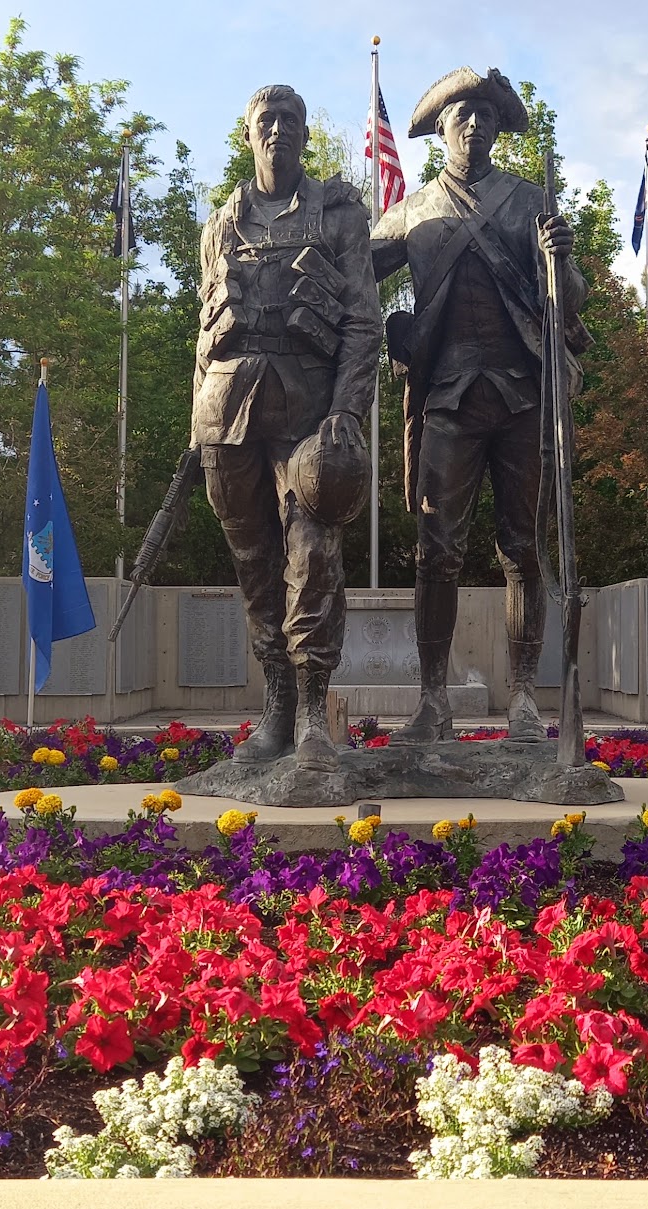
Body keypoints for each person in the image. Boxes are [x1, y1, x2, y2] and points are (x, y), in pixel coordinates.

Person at [371, 67, 591, 743]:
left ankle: (524, 695)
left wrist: (562, 260)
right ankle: (432, 698)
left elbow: (570, 298)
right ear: (440, 130)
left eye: (485, 119)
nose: (474, 127)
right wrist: (389, 331)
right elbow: (349, 279)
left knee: (521, 549)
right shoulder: (409, 213)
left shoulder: (529, 203)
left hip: (521, 397)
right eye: (462, 117)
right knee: (435, 551)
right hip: (446, 399)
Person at [192, 84, 383, 770]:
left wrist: (346, 409)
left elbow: (363, 322)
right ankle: (274, 705)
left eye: (289, 121)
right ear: (247, 135)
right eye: (265, 121)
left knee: (313, 557)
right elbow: (204, 332)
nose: (278, 130)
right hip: (227, 408)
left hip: (308, 408)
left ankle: (310, 713)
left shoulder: (336, 216)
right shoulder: (219, 224)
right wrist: (196, 427)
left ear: (304, 134)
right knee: (254, 568)